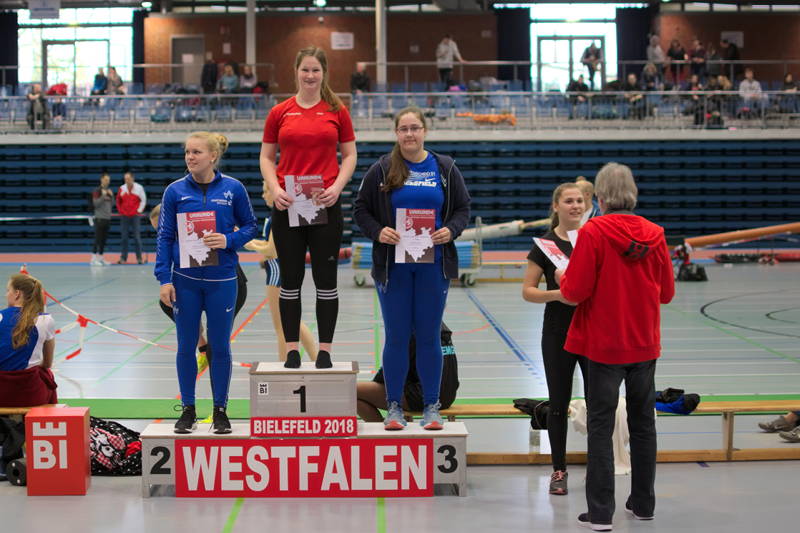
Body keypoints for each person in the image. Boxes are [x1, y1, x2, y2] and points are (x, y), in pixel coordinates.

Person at [558, 162, 675, 531]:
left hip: (604, 346)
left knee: (600, 426)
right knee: (643, 426)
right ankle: (643, 503)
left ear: (601, 197)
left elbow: (575, 292)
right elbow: (668, 293)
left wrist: (564, 276)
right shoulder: (655, 234)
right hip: (644, 344)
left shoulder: (594, 232)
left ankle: (601, 511)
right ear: (633, 193)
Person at [353, 106, 471, 430]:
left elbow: (463, 209)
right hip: (395, 267)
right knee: (397, 336)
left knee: (429, 335)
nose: (409, 134)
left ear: (425, 131)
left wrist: (452, 229)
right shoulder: (381, 169)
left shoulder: (445, 168)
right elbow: (360, 210)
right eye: (403, 129)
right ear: (396, 133)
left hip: (433, 265)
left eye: (415, 128)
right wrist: (379, 231)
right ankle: (393, 406)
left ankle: (431, 407)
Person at [259, 46, 357, 370]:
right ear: (296, 71)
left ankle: (325, 350)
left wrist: (336, 188)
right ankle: (291, 350)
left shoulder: (337, 110)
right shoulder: (280, 112)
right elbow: (266, 157)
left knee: (326, 280)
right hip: (289, 204)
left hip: (324, 204)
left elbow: (350, 156)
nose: (310, 76)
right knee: (291, 280)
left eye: (316, 70)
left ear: (324, 73)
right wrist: (275, 189)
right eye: (305, 70)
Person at [155, 131, 258, 434]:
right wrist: (163, 278)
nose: (190, 157)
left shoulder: (233, 189)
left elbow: (251, 226)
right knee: (186, 346)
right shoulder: (174, 192)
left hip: (222, 281)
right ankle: (188, 409)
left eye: (197, 152)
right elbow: (164, 237)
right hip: (184, 281)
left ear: (213, 156)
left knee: (220, 347)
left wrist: (229, 239)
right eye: (187, 152)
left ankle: (220, 411)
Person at [521, 182, 588, 495]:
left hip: (593, 332)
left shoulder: (595, 240)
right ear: (556, 206)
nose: (576, 206)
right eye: (569, 201)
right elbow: (528, 291)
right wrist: (559, 295)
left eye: (580, 201)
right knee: (559, 404)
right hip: (558, 333)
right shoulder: (544, 245)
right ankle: (559, 470)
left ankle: (602, 466)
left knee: (601, 403)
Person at [149, 203, 249, 373]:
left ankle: (218, 395)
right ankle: (202, 346)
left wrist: (229, 236)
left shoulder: (202, 223)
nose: (162, 233)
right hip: (194, 285)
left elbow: (238, 233)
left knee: (218, 343)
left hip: (228, 284)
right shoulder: (169, 241)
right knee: (166, 303)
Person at [243, 187, 318, 363]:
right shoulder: (276, 215)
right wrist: (246, 240)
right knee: (294, 322)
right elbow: (269, 243)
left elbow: (271, 250)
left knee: (282, 327)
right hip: (281, 268)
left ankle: (285, 366)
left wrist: (247, 243)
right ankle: (316, 358)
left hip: (276, 271)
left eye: (265, 191)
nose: (263, 195)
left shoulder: (278, 216)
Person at [357, 323, 459, 423]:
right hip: (448, 396)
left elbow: (392, 367)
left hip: (422, 396)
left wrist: (374, 386)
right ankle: (393, 434)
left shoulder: (413, 329)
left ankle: (388, 437)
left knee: (351, 391)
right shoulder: (440, 328)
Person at [0, 274, 57, 407]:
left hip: (1, 392)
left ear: (17, 294)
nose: (6, 295)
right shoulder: (45, 320)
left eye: (8, 290)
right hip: (30, 394)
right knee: (47, 374)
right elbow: (47, 363)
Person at [116, 171, 147, 265]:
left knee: (137, 237)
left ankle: (139, 258)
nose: (127, 180)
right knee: (124, 238)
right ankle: (123, 258)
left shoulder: (139, 188)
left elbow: (143, 200)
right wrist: (121, 211)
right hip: (124, 216)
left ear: (132, 178)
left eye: (128, 179)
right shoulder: (122, 188)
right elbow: (118, 201)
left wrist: (139, 210)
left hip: (135, 216)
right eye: (125, 179)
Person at [90, 173, 114, 266]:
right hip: (99, 218)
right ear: (101, 180)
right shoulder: (97, 191)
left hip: (107, 218)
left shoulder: (109, 191)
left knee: (103, 240)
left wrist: (111, 196)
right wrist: (103, 196)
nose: (107, 181)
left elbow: (112, 204)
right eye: (105, 179)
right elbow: (95, 204)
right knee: (98, 239)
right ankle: (93, 258)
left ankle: (100, 258)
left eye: (108, 180)